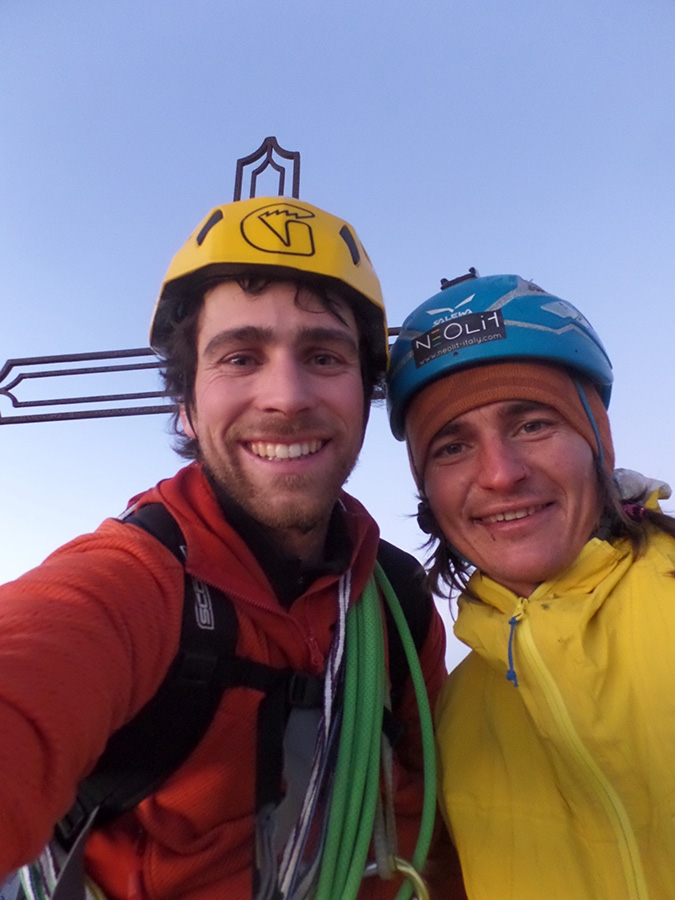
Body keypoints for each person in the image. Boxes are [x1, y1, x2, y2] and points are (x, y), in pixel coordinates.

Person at [0, 197, 458, 900]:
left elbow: (425, 828)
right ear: (185, 404)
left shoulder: (395, 604)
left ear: (363, 391)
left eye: (323, 355)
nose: (286, 396)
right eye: (240, 357)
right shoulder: (133, 584)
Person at [386, 271, 675, 900]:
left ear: (596, 440)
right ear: (426, 490)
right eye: (453, 446)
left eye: (533, 425)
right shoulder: (452, 724)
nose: (500, 474)